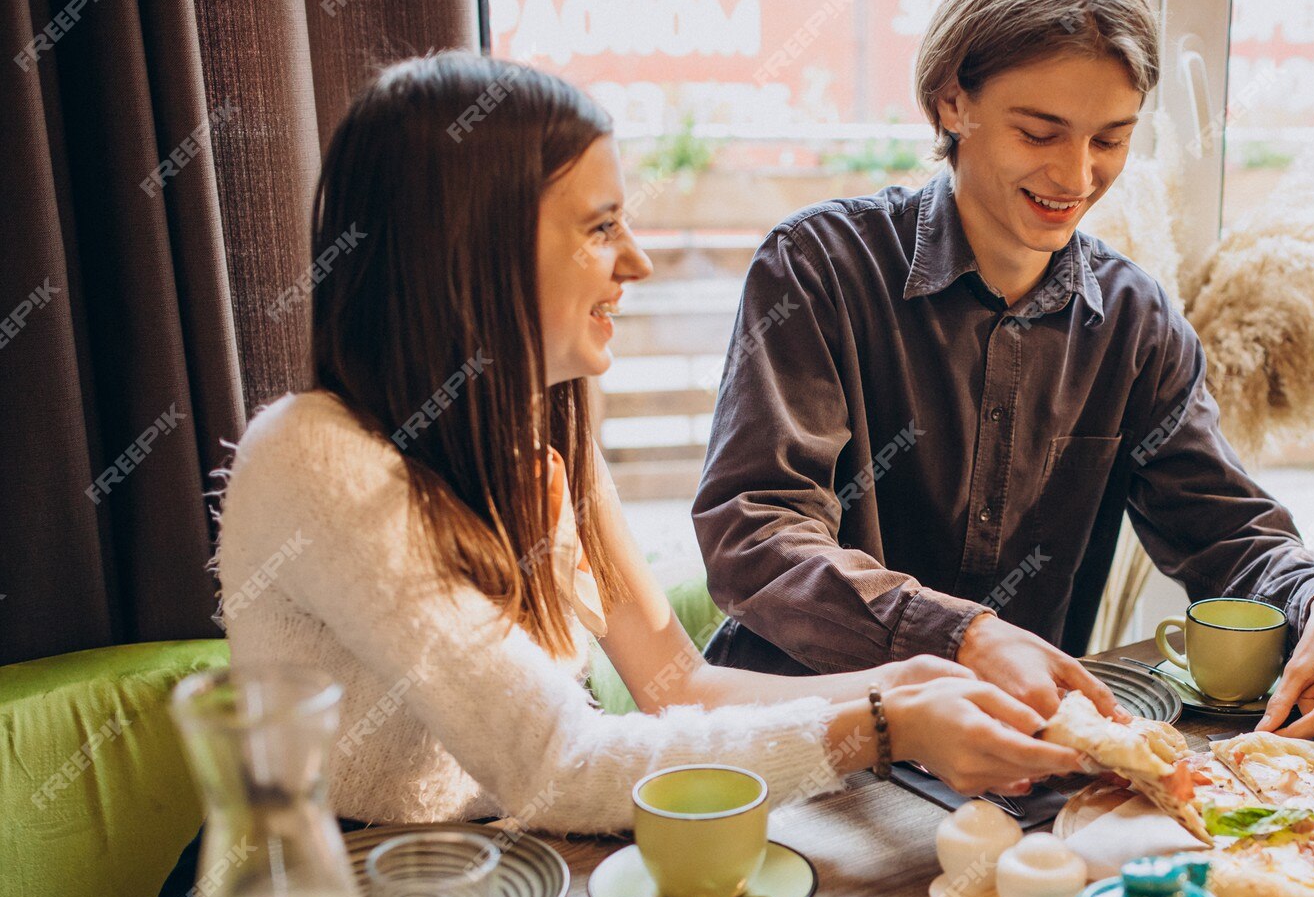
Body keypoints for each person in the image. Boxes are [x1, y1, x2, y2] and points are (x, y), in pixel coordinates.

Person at [213, 52, 1083, 835]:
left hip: (499, 882)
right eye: (600, 228)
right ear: (470, 253)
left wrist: (910, 684)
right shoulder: (315, 459)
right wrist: (880, 729)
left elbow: (678, 687)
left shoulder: (534, 425)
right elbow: (559, 765)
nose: (638, 262)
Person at [692, 0, 1314, 739]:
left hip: (1011, 758)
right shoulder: (817, 268)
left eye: (1111, 139)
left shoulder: (1137, 324)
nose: (1077, 176)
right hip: (805, 744)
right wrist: (964, 636)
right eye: (1040, 132)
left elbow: (1228, 532)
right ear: (953, 101)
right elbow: (756, 533)